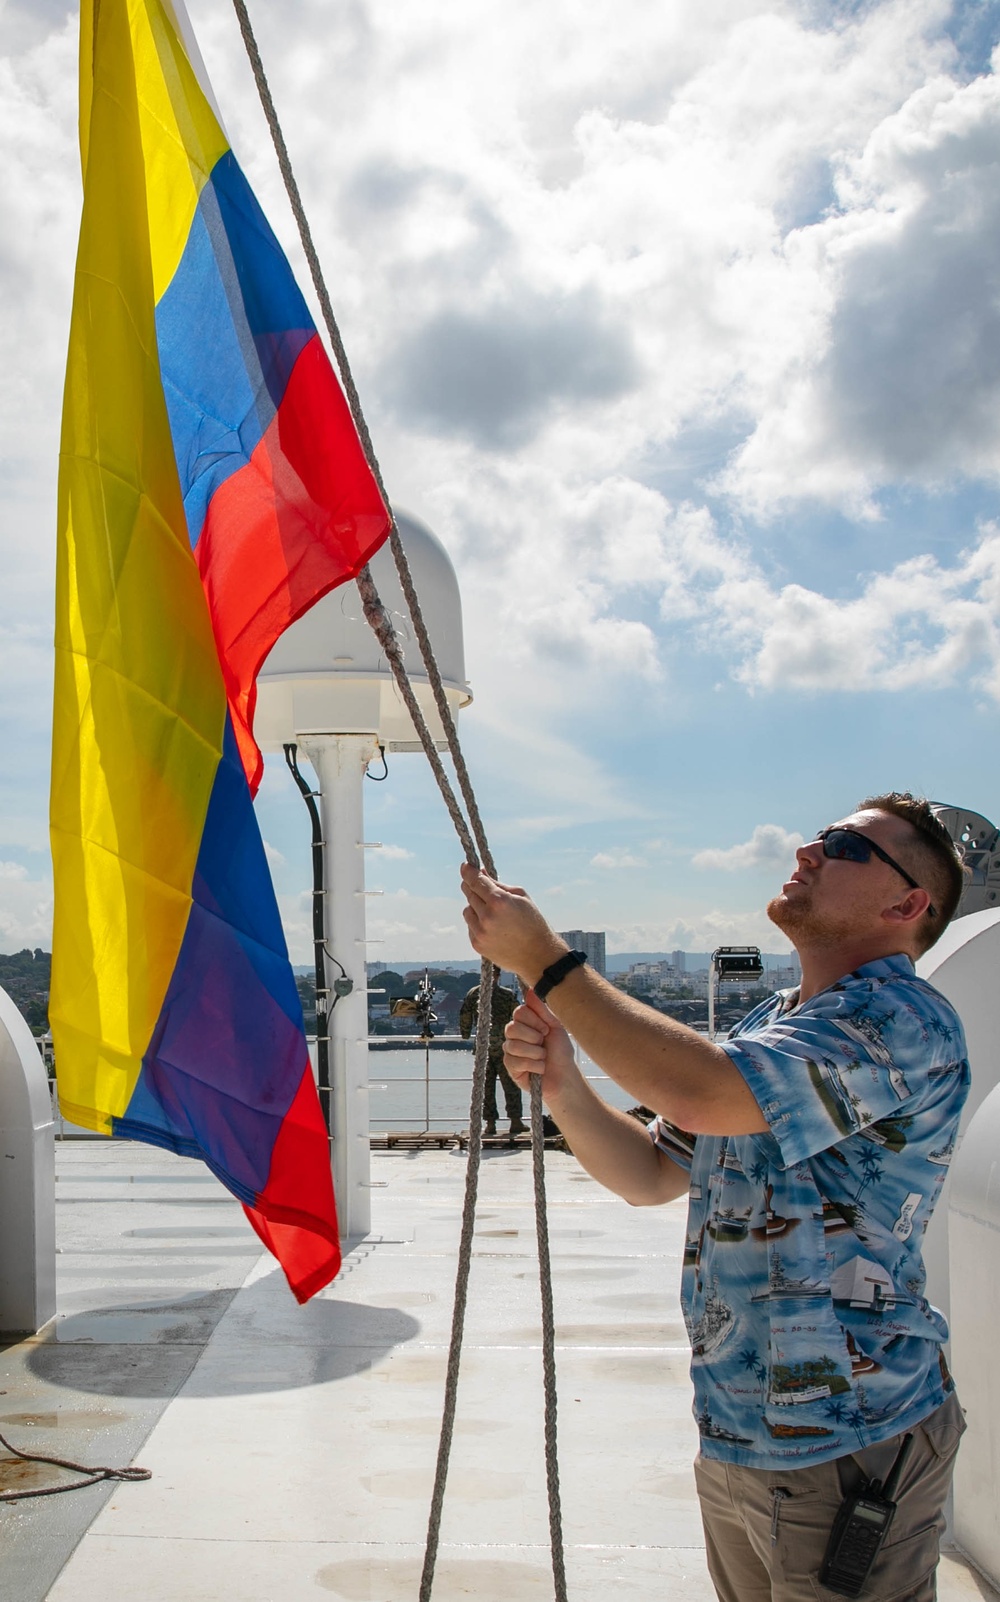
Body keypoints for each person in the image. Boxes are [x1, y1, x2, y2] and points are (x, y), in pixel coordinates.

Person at [460, 793, 969, 1602]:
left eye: (844, 845)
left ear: (907, 904)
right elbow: (653, 1173)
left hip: (851, 1442)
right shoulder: (780, 1023)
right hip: (743, 1435)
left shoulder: (898, 1020)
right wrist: (564, 1089)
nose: (808, 848)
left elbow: (700, 1090)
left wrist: (551, 966)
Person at [459, 977, 527, 1137]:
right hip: (504, 1046)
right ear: (498, 975)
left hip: (484, 1047)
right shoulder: (506, 994)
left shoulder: (474, 994)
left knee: (486, 1087)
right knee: (511, 1085)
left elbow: (465, 1015)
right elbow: (518, 1016)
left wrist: (465, 1033)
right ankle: (515, 1121)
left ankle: (490, 1124)